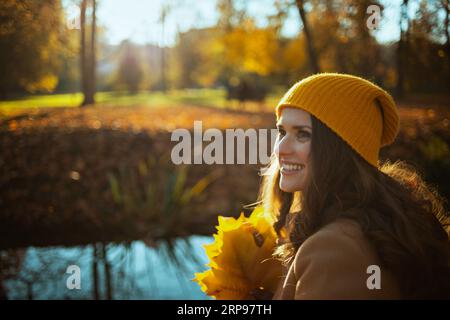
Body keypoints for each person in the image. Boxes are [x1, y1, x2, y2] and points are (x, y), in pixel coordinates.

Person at [257, 73, 450, 299]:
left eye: (303, 135)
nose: (280, 149)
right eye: (282, 132)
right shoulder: (376, 220)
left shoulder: (334, 249)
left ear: (340, 150)